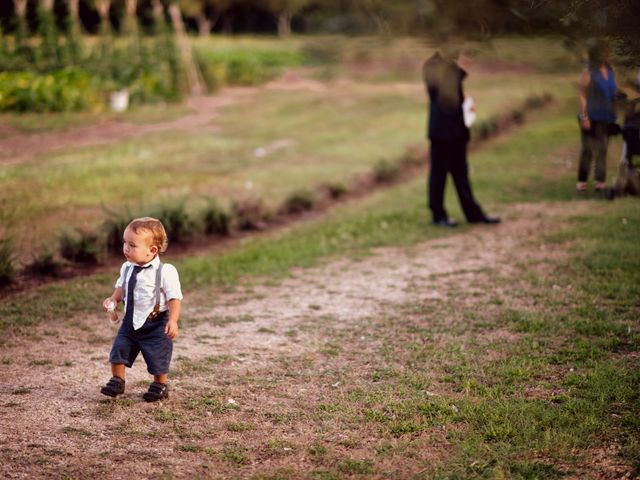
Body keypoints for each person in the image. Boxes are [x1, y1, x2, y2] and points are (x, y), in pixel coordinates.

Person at [100, 217, 183, 402]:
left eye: (132, 245)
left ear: (152, 250)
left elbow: (174, 298)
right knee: (118, 351)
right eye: (124, 243)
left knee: (158, 355)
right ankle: (117, 380)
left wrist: (173, 320)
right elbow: (121, 289)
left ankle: (160, 384)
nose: (126, 249)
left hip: (155, 322)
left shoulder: (165, 271)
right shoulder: (127, 268)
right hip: (130, 321)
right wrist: (113, 299)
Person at [422, 46, 500, 227]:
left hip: (457, 130)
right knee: (439, 174)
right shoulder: (432, 65)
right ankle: (438, 215)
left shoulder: (450, 66)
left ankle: (473, 213)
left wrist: (466, 104)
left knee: (461, 174)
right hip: (441, 131)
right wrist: (462, 69)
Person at [577, 39, 618, 193]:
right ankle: (581, 183)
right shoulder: (589, 70)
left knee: (602, 149)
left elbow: (613, 90)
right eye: (605, 51)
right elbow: (581, 94)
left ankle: (600, 182)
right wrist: (584, 116)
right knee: (588, 149)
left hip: (606, 116)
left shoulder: (610, 69)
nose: (608, 54)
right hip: (591, 115)